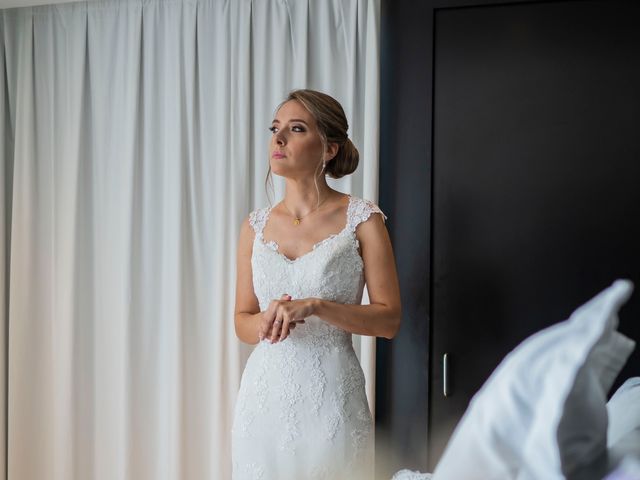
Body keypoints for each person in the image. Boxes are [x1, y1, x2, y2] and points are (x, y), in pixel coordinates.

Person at [231, 89, 402, 479]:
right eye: (276, 129)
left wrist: (316, 306)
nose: (278, 139)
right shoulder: (254, 227)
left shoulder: (362, 219)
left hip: (332, 401)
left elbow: (389, 320)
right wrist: (265, 322)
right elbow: (242, 319)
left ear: (328, 149)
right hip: (263, 401)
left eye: (295, 129)